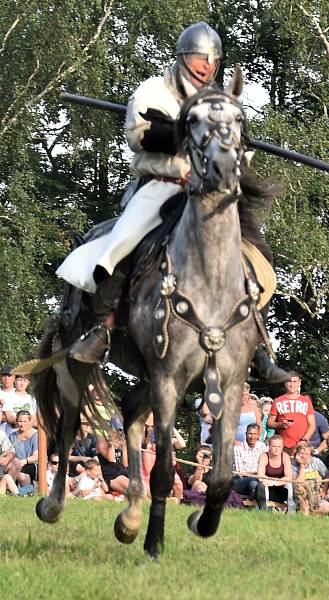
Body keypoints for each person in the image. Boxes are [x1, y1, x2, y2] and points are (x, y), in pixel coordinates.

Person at [59, 22, 224, 363]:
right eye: (198, 59)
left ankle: (254, 337)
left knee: (249, 243)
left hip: (206, 192)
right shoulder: (153, 92)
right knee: (123, 244)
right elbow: (140, 136)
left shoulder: (218, 101)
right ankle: (102, 327)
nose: (204, 67)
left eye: (211, 61)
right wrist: (183, 131)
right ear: (182, 59)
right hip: (162, 186)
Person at [267, 371, 316, 451]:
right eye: (289, 381)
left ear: (299, 383)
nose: (292, 384)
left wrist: (304, 440)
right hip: (283, 446)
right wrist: (280, 424)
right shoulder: (278, 401)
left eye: (294, 381)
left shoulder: (306, 401)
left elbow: (312, 425)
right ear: (285, 382)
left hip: (302, 446)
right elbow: (269, 423)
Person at [232, 423, 268, 510]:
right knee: (254, 481)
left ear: (259, 435)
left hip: (258, 480)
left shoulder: (262, 446)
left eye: (255, 434)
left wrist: (260, 475)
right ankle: (255, 507)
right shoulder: (237, 449)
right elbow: (240, 472)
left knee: (254, 484)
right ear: (246, 434)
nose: (252, 437)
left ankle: (261, 509)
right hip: (240, 481)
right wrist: (258, 473)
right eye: (250, 434)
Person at [291, 441, 329, 515]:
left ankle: (308, 513)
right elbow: (298, 483)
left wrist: (324, 491)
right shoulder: (292, 464)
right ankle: (304, 511)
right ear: (296, 454)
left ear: (310, 455)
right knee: (302, 490)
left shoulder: (316, 462)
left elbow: (327, 475)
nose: (303, 456)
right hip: (299, 496)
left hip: (315, 495)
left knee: (326, 506)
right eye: (301, 453)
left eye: (306, 454)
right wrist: (301, 466)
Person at [257, 434, 293, 508]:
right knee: (261, 485)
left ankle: (291, 510)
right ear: (269, 446)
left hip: (281, 486)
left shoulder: (285, 456)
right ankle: (263, 509)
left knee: (291, 485)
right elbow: (260, 475)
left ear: (282, 447)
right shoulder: (264, 456)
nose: (277, 449)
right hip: (267, 485)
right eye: (274, 446)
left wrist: (276, 482)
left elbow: (289, 476)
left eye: (279, 446)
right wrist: (270, 482)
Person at [8, 410, 38, 489]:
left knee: (21, 471)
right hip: (17, 464)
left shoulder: (36, 435)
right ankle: (22, 493)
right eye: (20, 421)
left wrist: (24, 461)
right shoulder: (12, 436)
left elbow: (36, 456)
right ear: (16, 421)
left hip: (33, 463)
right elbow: (10, 454)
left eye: (25, 421)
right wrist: (17, 461)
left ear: (29, 421)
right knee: (13, 467)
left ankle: (25, 492)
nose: (22, 424)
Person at [96, 428, 129, 494]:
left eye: (121, 431)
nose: (121, 433)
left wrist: (124, 447)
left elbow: (125, 464)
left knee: (148, 491)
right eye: (118, 430)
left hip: (122, 472)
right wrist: (111, 443)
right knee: (138, 490)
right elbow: (111, 459)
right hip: (112, 476)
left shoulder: (120, 442)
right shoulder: (101, 442)